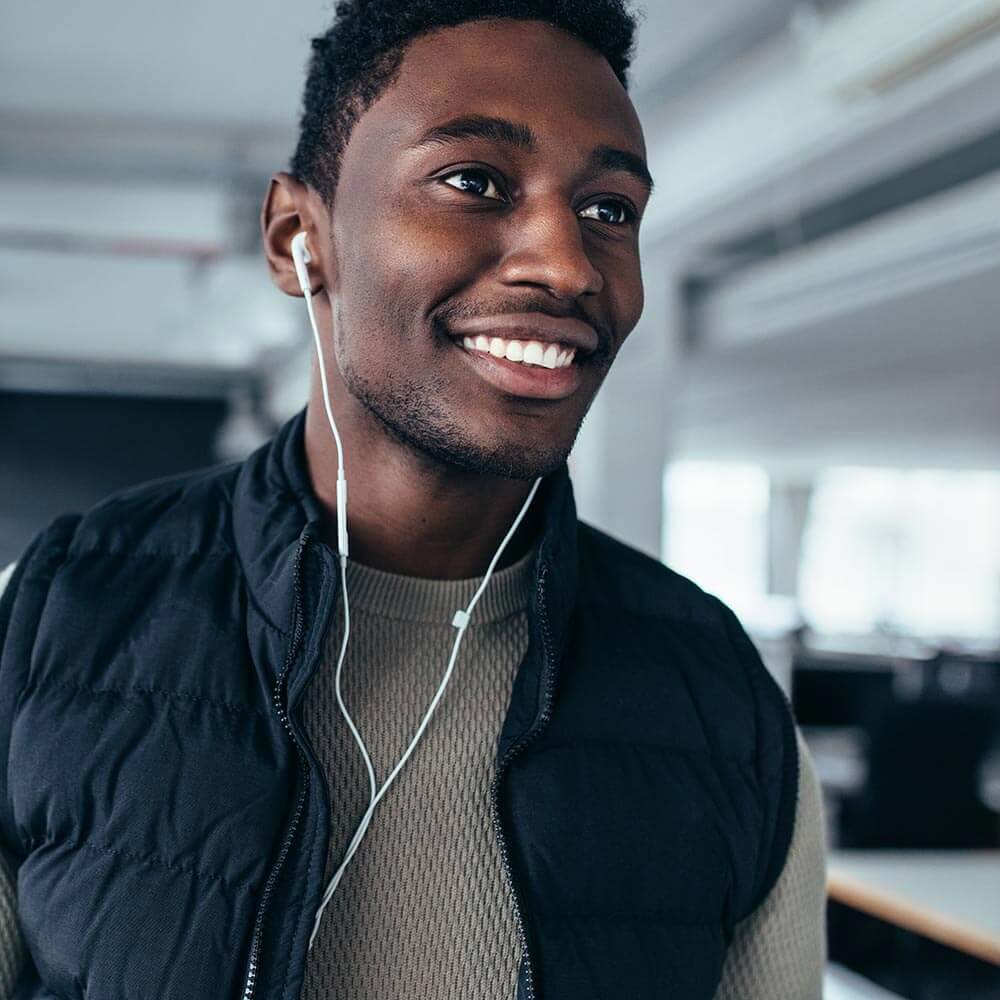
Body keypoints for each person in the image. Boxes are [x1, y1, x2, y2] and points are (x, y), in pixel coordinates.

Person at [0, 2, 827, 997]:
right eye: (473, 181)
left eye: (609, 210)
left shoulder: (720, 696)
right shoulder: (54, 620)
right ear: (300, 239)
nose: (566, 265)